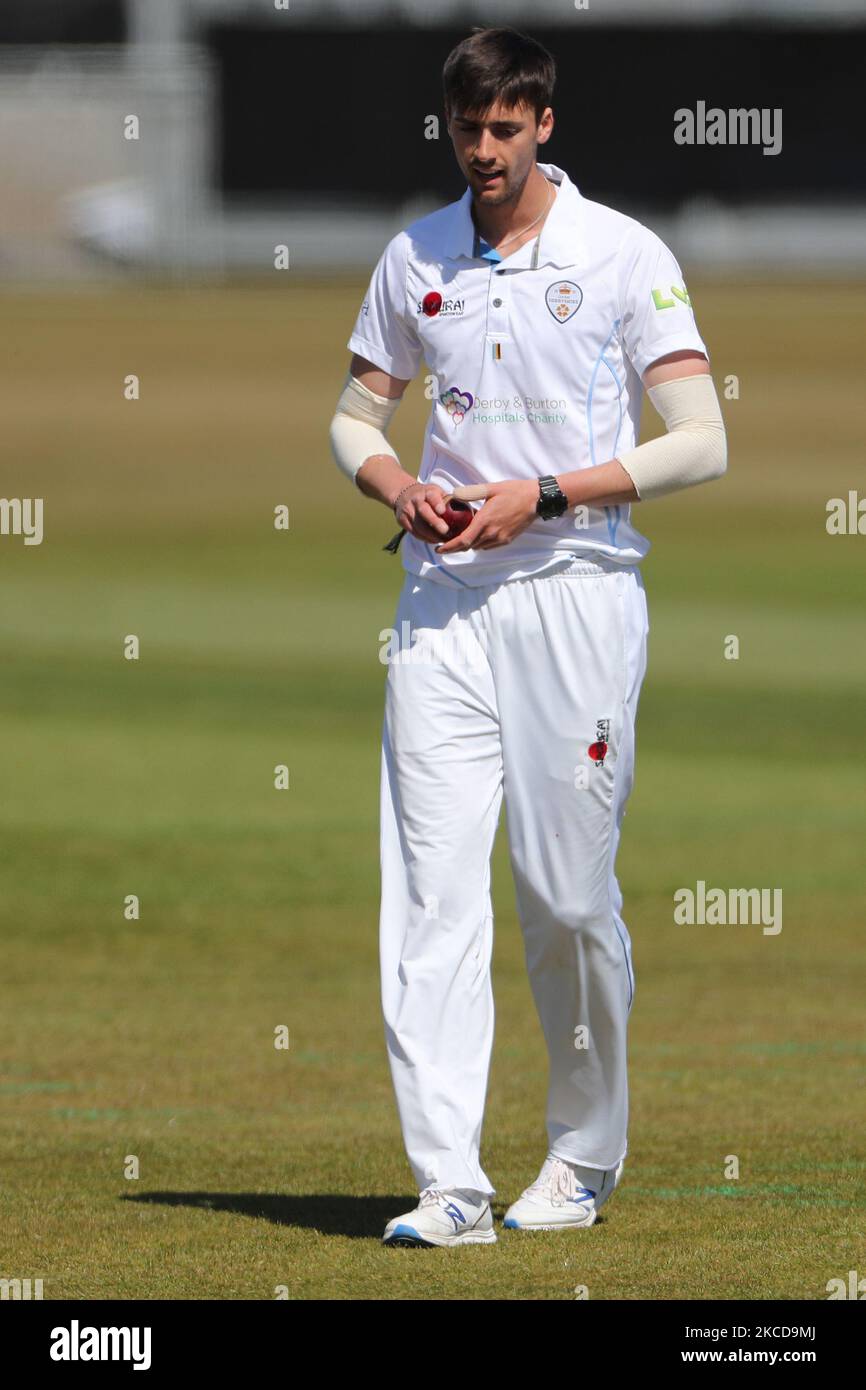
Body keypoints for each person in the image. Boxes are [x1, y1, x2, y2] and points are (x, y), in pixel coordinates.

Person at [329, 26, 726, 1248]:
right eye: (467, 130)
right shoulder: (415, 255)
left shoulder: (619, 252)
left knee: (562, 894)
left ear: (543, 122)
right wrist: (399, 486)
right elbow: (353, 414)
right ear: (447, 129)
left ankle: (581, 1148)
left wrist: (545, 492)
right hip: (440, 604)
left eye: (506, 128)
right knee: (430, 894)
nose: (485, 150)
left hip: (575, 592)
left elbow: (699, 439)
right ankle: (448, 1182)